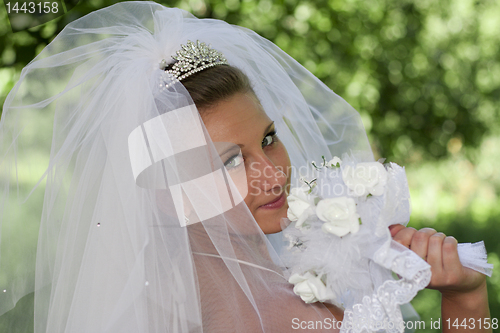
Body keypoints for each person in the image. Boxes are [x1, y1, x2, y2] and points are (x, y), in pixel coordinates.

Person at [0, 1, 491, 332]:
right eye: (229, 161)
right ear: (163, 194)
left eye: (268, 139)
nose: (273, 173)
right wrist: (467, 304)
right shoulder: (261, 318)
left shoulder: (190, 294)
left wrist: (463, 291)